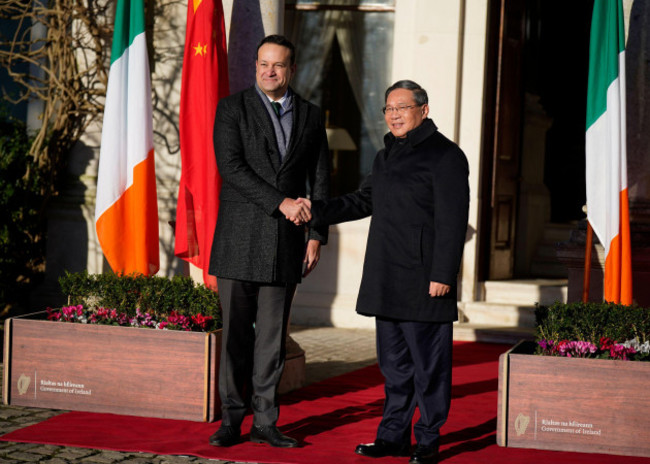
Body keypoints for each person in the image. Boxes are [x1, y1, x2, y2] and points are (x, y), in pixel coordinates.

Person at [301, 80, 469, 464]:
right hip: (386, 277)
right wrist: (317, 209)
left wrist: (443, 274)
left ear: (423, 111)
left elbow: (453, 221)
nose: (393, 114)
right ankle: (393, 436)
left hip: (426, 281)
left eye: (402, 107)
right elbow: (363, 200)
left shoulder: (446, 156)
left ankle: (427, 440)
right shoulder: (385, 155)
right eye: (388, 108)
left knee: (429, 369)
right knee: (394, 368)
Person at [207, 34, 330, 448]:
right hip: (239, 239)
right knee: (236, 338)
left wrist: (316, 234)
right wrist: (282, 203)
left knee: (273, 339)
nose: (268, 71)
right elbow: (232, 167)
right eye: (262, 64)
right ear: (255, 66)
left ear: (291, 69)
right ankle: (231, 420)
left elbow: (321, 179)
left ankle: (265, 421)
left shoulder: (312, 115)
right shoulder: (231, 108)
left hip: (287, 243)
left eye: (277, 65)